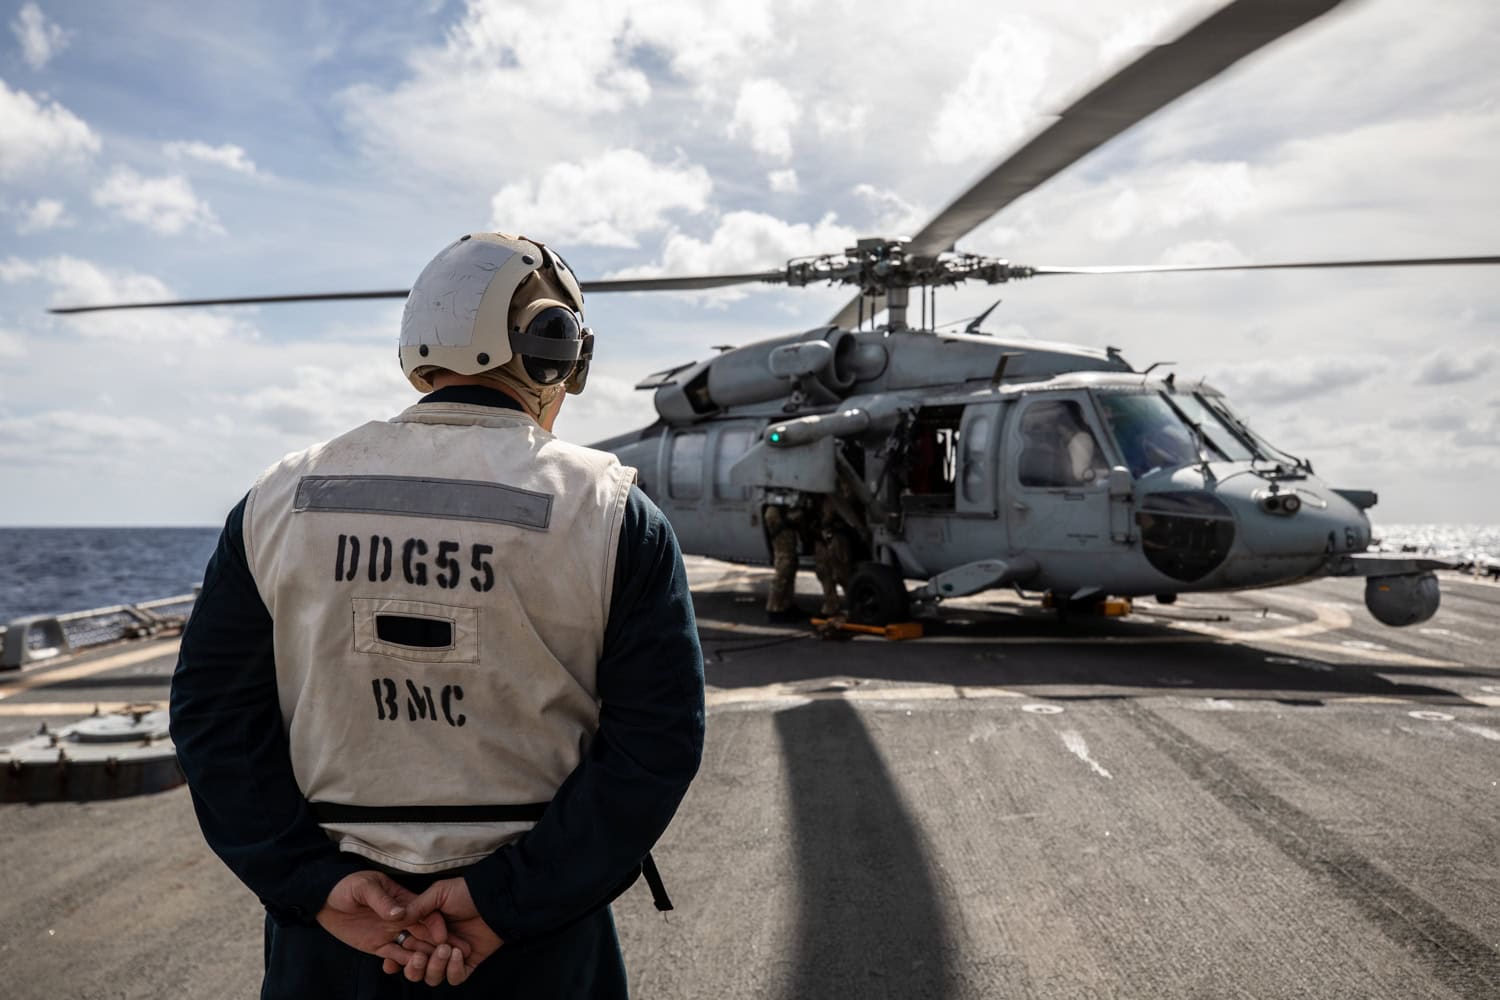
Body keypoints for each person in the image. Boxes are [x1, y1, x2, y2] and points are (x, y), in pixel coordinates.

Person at [169, 232, 706, 998]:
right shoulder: (613, 512)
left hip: (340, 943)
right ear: (552, 352)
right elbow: (657, 744)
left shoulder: (278, 500)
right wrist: (499, 906)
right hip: (540, 941)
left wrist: (317, 888)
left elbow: (211, 719)